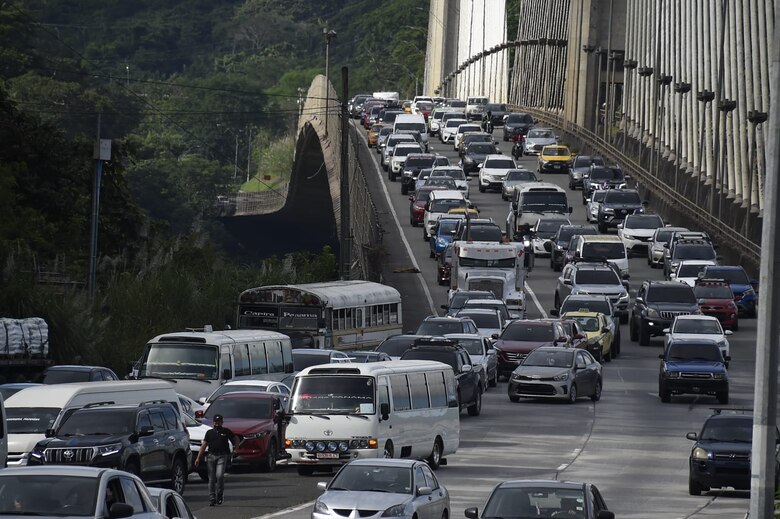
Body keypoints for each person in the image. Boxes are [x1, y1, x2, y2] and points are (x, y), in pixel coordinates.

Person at [195, 414, 236, 506]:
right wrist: (198, 458)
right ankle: (212, 498)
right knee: (211, 479)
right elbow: (204, 445)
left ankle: (220, 495)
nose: (217, 423)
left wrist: (236, 448)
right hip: (211, 456)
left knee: (220, 476)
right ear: (213, 422)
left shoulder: (226, 431)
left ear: (222, 422)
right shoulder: (209, 432)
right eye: (216, 421)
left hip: (222, 456)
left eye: (219, 421)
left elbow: (235, 438)